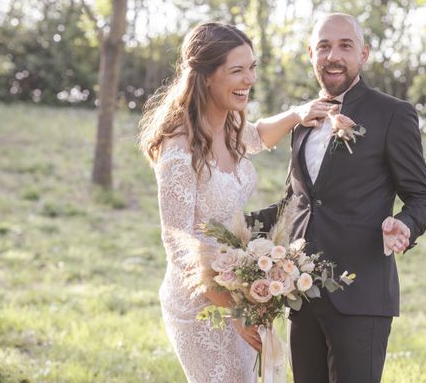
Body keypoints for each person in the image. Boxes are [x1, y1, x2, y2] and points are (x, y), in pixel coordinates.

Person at [138, 22, 335, 383]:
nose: (249, 79)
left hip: (238, 286)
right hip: (200, 298)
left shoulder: (228, 126)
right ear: (207, 76)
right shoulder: (178, 148)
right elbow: (176, 242)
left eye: (252, 68)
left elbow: (258, 135)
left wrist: (298, 113)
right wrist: (234, 307)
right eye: (237, 70)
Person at [249, 13, 426, 383]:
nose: (333, 56)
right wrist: (233, 227)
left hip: (360, 292)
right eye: (324, 46)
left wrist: (405, 225)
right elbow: (296, 205)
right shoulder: (302, 122)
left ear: (363, 54)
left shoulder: (392, 114)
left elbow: (421, 198)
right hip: (300, 294)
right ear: (310, 54)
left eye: (344, 46)